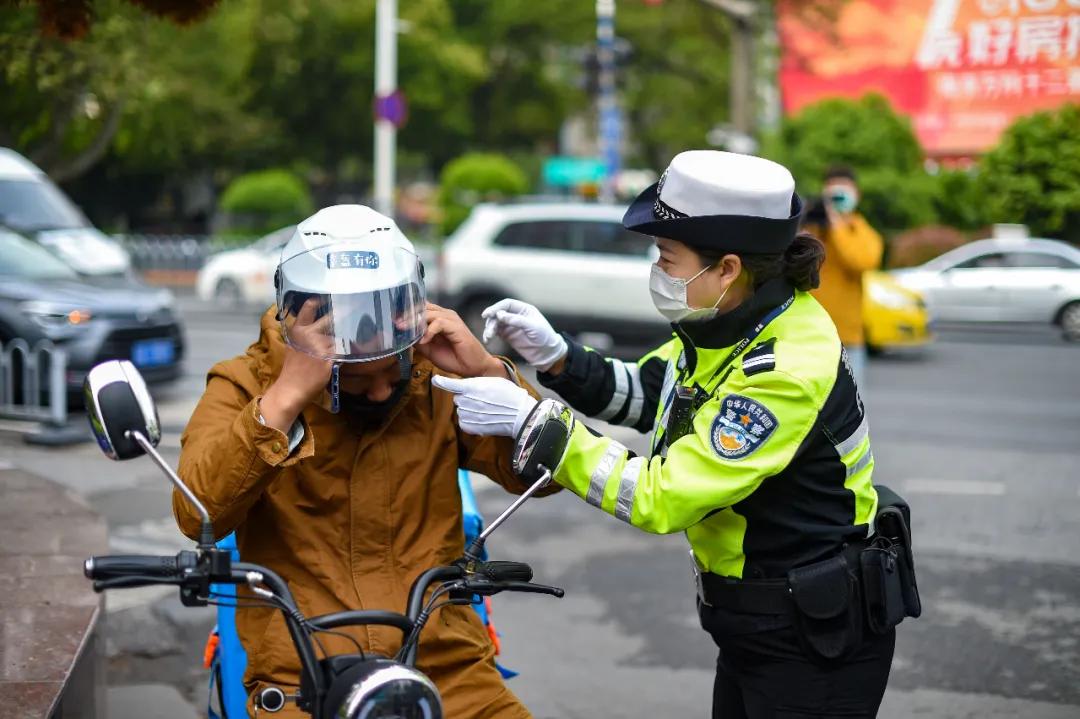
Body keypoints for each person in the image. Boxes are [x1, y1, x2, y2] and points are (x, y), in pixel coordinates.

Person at [434, 151, 898, 718]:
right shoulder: (732, 323)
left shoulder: (784, 367)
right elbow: (652, 393)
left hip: (812, 639)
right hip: (764, 622)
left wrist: (533, 424)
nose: (657, 270)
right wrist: (554, 357)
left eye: (666, 256)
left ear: (727, 268)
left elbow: (662, 497)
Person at [173, 204, 555, 718]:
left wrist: (488, 374)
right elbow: (198, 512)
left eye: (390, 374)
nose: (379, 392)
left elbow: (546, 473)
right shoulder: (245, 384)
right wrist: (283, 400)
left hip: (447, 667)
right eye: (354, 379)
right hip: (302, 678)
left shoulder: (433, 373)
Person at [804, 165, 884, 387]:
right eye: (832, 194)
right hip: (808, 334)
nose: (837, 200)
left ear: (856, 195)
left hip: (847, 337)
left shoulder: (863, 233)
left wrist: (837, 224)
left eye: (843, 192)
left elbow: (861, 262)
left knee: (849, 411)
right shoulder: (811, 229)